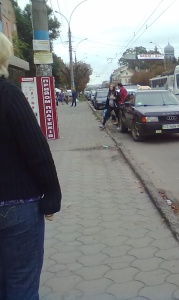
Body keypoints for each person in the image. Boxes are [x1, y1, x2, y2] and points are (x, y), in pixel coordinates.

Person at [0, 32, 62, 299]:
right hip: (17, 205)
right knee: (20, 282)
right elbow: (36, 151)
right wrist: (52, 197)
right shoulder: (8, 95)